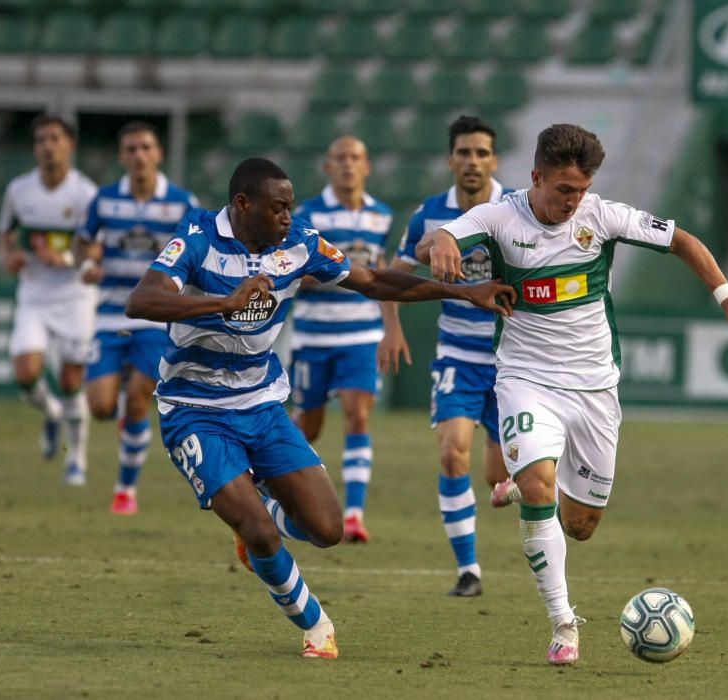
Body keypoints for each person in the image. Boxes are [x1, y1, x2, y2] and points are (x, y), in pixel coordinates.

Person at [124, 157, 514, 659]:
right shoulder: (198, 238)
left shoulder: (299, 243)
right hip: (194, 408)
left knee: (327, 530)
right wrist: (219, 304)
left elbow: (373, 281)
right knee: (263, 532)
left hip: (262, 404)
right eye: (278, 208)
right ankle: (316, 626)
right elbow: (142, 301)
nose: (288, 217)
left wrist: (462, 292)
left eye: (290, 207)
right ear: (243, 205)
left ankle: (256, 529)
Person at [417, 124, 728, 665]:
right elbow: (440, 237)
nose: (573, 201)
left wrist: (727, 296)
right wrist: (442, 239)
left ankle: (522, 486)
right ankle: (563, 624)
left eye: (581, 190)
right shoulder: (501, 217)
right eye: (563, 189)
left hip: (594, 387)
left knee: (580, 526)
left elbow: (683, 241)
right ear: (536, 177)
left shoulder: (600, 216)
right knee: (539, 489)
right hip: (525, 378)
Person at [378, 115, 510, 597]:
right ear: (450, 159)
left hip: (512, 361)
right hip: (456, 355)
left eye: (481, 153)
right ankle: (468, 571)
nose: (472, 162)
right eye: (463, 153)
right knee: (453, 452)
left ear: (494, 160)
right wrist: (390, 327)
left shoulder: (516, 209)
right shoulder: (428, 214)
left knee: (499, 478)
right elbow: (391, 276)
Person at [77, 121, 199, 515]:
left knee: (137, 403)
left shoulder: (182, 203)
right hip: (111, 315)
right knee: (99, 406)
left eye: (145, 148)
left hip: (154, 319)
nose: (139, 156)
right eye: (131, 149)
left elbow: (198, 248)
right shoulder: (104, 200)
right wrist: (87, 265)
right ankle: (125, 405)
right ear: (121, 156)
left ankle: (124, 490)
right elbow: (83, 244)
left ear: (158, 153)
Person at [289, 136, 394, 543]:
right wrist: (335, 273)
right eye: (340, 158)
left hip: (362, 334)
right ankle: (272, 476)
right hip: (314, 334)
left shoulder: (381, 216)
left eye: (356, 158)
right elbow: (294, 272)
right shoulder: (307, 214)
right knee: (309, 425)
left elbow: (382, 273)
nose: (348, 165)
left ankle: (353, 513)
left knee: (358, 414)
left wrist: (391, 327)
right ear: (327, 167)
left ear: (366, 167)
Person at [0, 115, 98, 485]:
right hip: (35, 294)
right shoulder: (19, 190)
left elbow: (97, 247)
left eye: (55, 138)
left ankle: (78, 460)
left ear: (69, 145)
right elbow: (6, 234)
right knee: (25, 375)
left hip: (75, 296)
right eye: (40, 139)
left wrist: (70, 259)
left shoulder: (85, 194)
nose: (47, 145)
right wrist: (10, 257)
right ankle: (51, 411)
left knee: (72, 379)